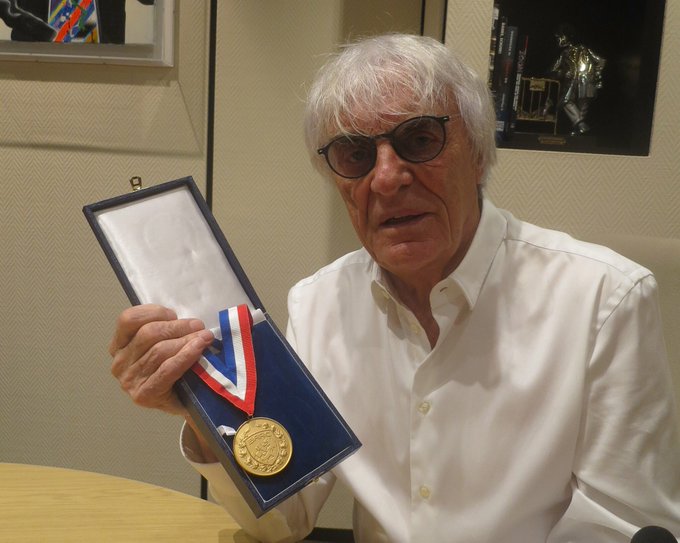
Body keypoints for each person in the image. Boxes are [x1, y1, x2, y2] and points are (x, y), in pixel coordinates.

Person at [109, 34, 680, 542]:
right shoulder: (319, 303)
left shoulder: (605, 300)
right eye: (356, 154)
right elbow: (284, 518)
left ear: (479, 154)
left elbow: (619, 526)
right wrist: (202, 408)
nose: (386, 178)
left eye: (420, 139)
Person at [548, 23, 606, 136]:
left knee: (576, 105)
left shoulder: (583, 49)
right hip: (574, 85)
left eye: (560, 37)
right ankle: (580, 126)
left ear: (566, 36)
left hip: (586, 83)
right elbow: (552, 71)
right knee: (569, 104)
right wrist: (563, 73)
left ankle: (579, 126)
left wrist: (595, 75)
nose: (558, 40)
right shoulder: (565, 53)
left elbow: (601, 61)